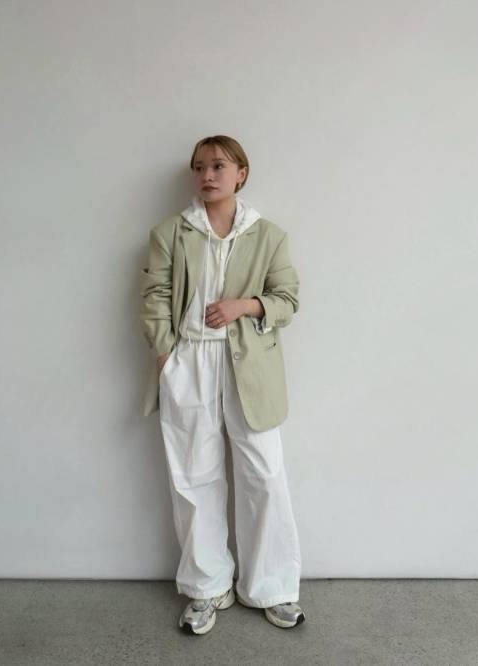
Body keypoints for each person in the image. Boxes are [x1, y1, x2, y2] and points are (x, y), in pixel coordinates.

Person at [140, 135, 305, 634]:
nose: (207, 175)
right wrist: (167, 355)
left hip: (248, 366)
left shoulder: (268, 235)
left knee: (264, 474)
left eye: (218, 166)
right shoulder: (170, 232)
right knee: (194, 476)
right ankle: (207, 587)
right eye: (199, 167)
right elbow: (155, 295)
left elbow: (287, 299)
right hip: (188, 360)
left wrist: (245, 306)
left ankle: (272, 587)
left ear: (241, 173)